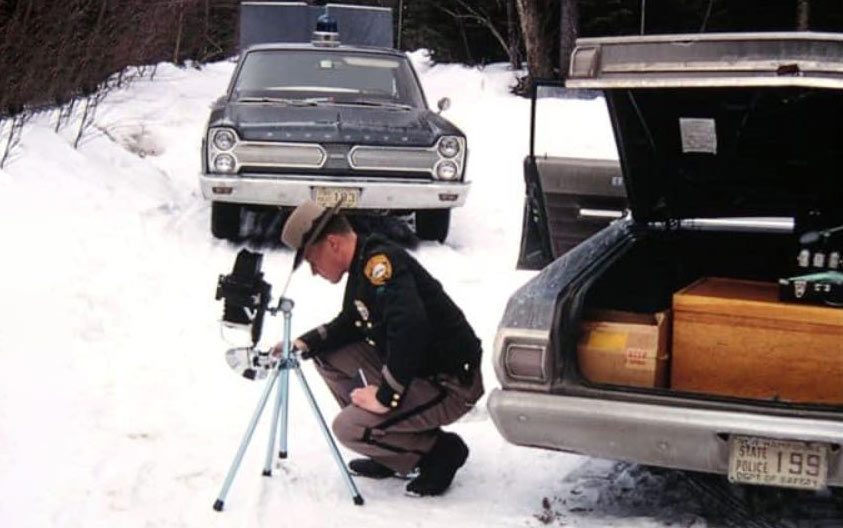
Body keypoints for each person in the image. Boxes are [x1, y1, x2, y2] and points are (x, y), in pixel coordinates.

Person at [278, 200, 483, 497]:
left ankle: (440, 451)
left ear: (333, 244)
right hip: (419, 369)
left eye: (312, 260)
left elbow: (411, 326)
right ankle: (390, 450)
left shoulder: (379, 264)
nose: (314, 271)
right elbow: (351, 321)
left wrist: (385, 396)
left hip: (449, 383)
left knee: (347, 428)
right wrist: (304, 343)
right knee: (327, 355)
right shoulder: (363, 261)